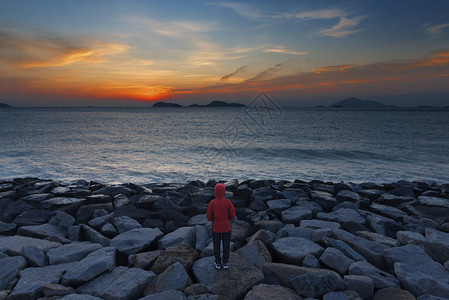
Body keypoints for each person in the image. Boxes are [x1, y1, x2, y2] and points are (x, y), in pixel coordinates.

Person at [206, 183, 236, 270]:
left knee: (216, 246)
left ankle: (218, 263)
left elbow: (208, 215)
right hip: (226, 227)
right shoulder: (228, 202)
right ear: (224, 192)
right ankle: (225, 262)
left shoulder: (212, 203)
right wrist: (228, 218)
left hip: (216, 227)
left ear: (215, 192)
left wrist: (212, 219)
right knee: (226, 245)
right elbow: (233, 214)